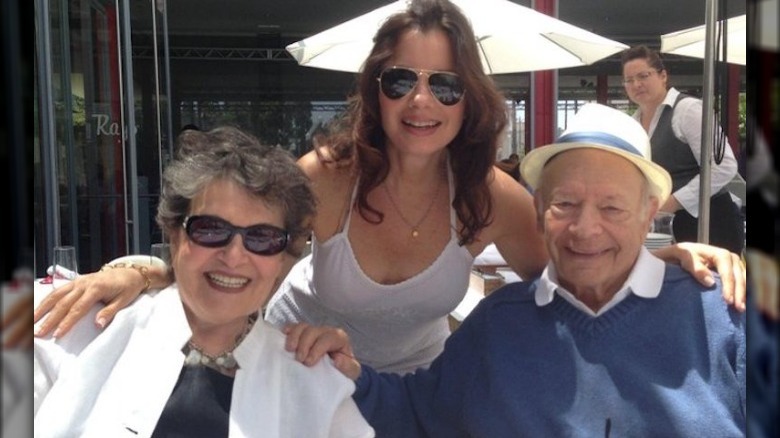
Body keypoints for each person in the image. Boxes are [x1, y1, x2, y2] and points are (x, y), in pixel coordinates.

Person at [34, 0, 745, 375]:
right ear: (375, 90)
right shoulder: (328, 181)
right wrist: (140, 269)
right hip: (296, 370)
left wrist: (669, 264)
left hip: (418, 394)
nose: (421, 101)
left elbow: (583, 271)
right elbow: (236, 248)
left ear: (470, 97)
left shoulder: (489, 197)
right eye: (401, 79)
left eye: (444, 84)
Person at [288, 103, 746, 436]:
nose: (585, 229)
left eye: (612, 207)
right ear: (539, 207)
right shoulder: (500, 323)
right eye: (565, 203)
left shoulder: (724, 316)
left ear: (650, 214)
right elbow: (416, 411)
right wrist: (349, 370)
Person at [33, 126, 373, 437]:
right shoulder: (77, 331)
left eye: (263, 238)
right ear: (175, 234)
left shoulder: (314, 384)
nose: (234, 255)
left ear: (284, 257)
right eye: (211, 229)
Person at [621, 45, 744, 254]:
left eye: (643, 76)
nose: (636, 84)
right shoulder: (632, 124)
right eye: (629, 80)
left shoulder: (687, 110)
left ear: (663, 76)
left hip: (710, 224)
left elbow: (723, 166)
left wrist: (673, 202)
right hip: (663, 230)